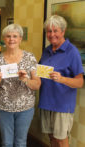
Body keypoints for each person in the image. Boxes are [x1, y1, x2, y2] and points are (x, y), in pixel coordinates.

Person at [0, 24, 41, 147]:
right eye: (8, 36)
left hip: (25, 108)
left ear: (20, 39)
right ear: (4, 39)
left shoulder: (30, 57)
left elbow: (37, 84)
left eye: (15, 36)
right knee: (6, 142)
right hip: (3, 108)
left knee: (20, 142)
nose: (11, 39)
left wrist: (25, 79)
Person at [39, 15, 84, 147]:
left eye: (55, 31)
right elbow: (40, 72)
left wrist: (62, 79)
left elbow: (80, 82)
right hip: (46, 101)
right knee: (51, 137)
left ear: (63, 31)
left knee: (61, 140)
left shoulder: (72, 52)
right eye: (49, 31)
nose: (52, 34)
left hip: (62, 105)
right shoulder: (46, 51)